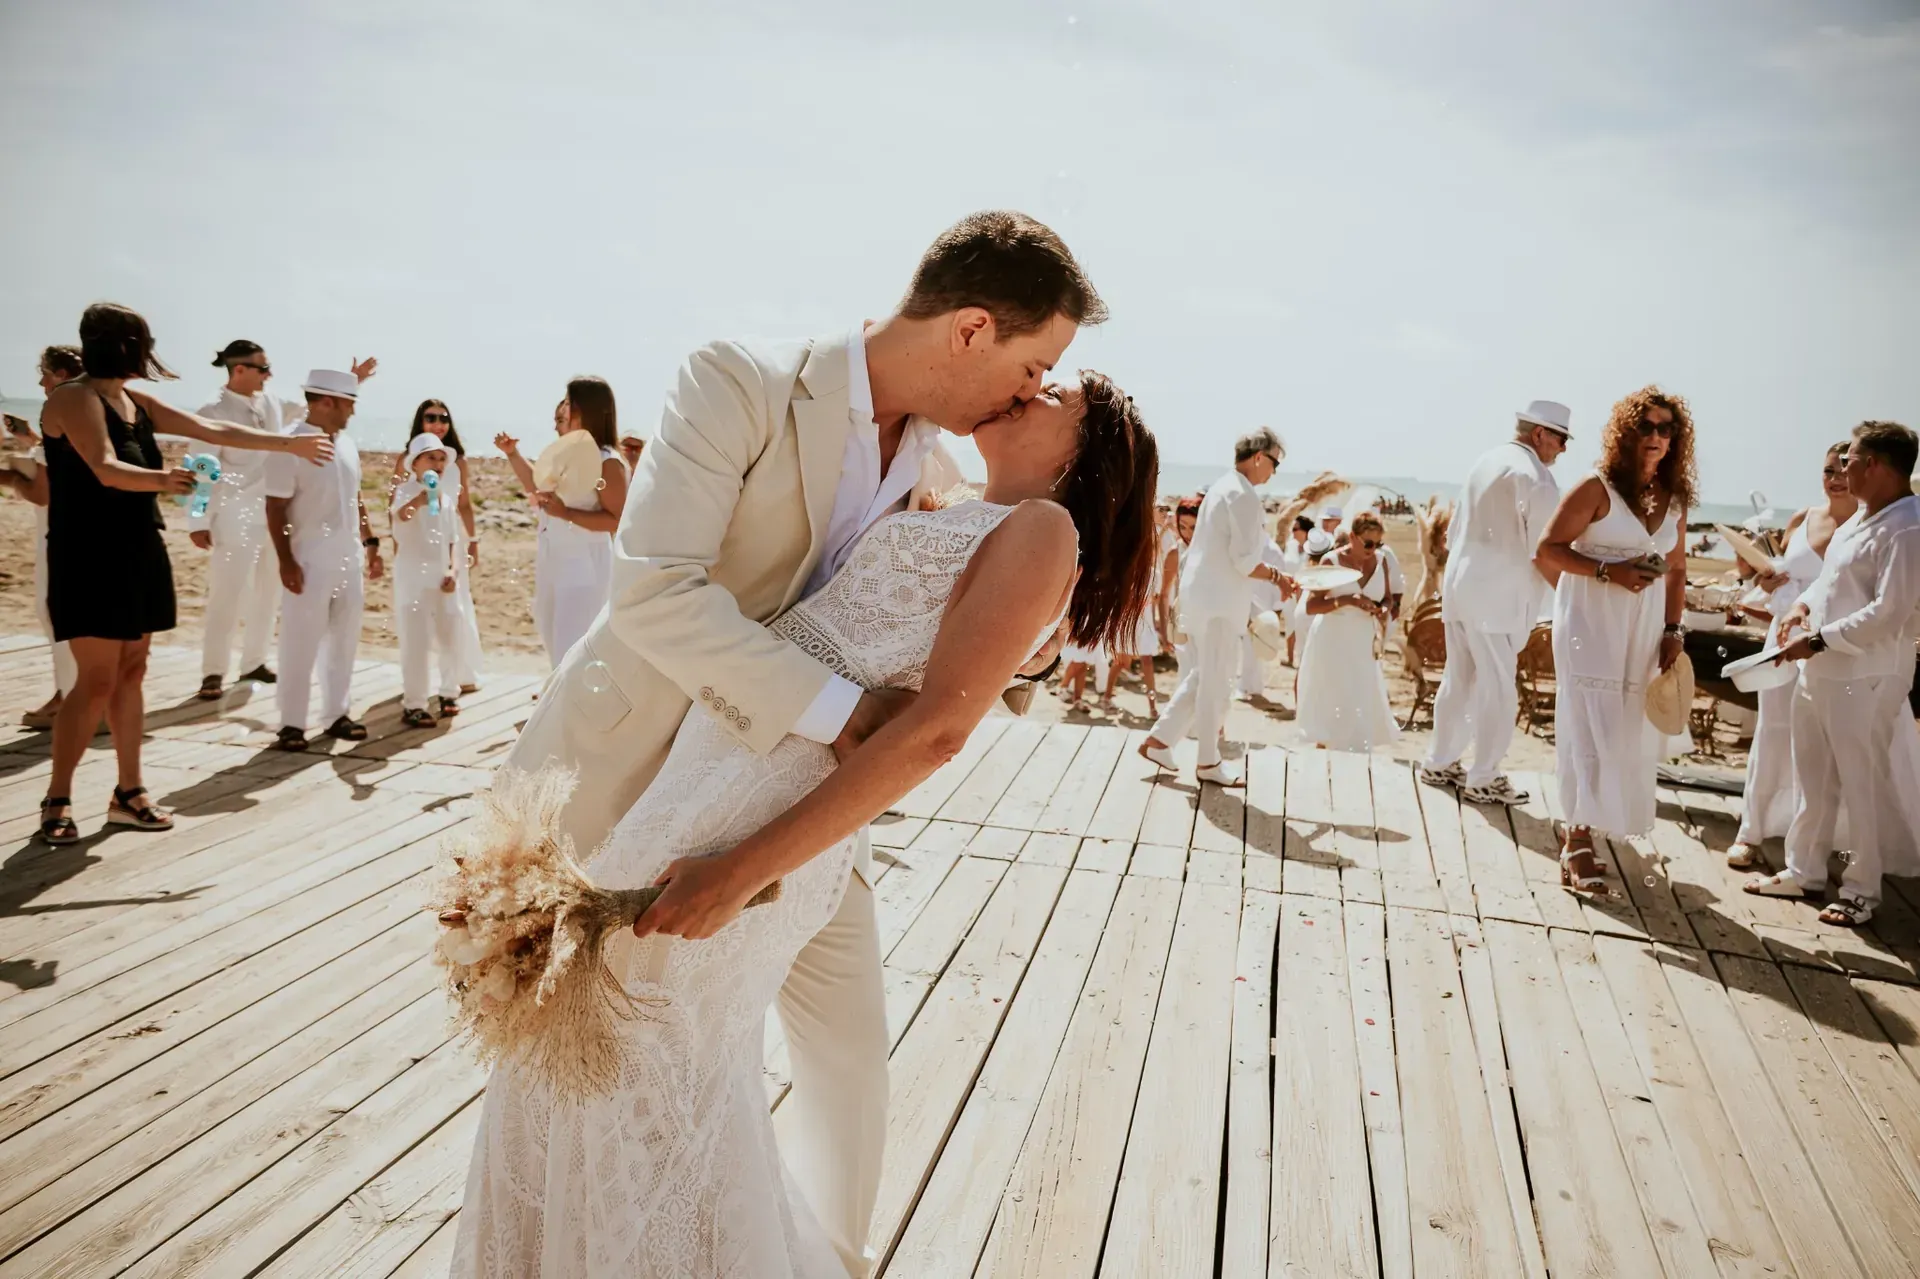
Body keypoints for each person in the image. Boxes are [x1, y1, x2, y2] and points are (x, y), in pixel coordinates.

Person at [456, 211, 1112, 1277]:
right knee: (604, 1046)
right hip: (653, 773)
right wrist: (844, 716)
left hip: (803, 819)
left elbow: (952, 621)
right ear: (972, 329)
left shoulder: (947, 463)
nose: (1030, 392)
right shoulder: (740, 381)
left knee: (845, 1051)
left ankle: (824, 1256)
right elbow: (656, 592)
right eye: (1032, 363)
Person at [35, 305, 331, 844]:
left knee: (132, 670)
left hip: (138, 545)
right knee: (95, 679)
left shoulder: (133, 399)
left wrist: (289, 443)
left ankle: (129, 791)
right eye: (142, 343)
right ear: (123, 345)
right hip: (88, 552)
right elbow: (104, 466)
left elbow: (212, 427)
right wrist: (164, 479)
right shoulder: (73, 397)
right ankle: (57, 797)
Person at [1745, 421, 1920, 927]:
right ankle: (1804, 870)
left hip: (1863, 677)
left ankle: (1863, 889)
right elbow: (1827, 584)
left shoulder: (1908, 526)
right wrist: (1800, 609)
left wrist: (1818, 639)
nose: (1843, 469)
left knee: (1858, 783)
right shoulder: (1858, 520)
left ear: (1877, 467)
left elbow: (1890, 611)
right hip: (1818, 670)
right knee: (1813, 776)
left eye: (1852, 460)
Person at [1535, 386, 1695, 892]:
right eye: (1645, 426)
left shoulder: (1675, 500)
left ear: (1676, 439)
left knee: (1626, 724)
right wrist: (1607, 573)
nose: (1655, 436)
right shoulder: (1595, 487)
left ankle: (1595, 822)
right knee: (1587, 721)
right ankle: (1576, 840)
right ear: (1626, 433)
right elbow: (1547, 551)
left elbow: (1677, 568)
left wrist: (1674, 629)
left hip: (1645, 625)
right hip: (1591, 620)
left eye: (1665, 428)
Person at [189, 342, 372, 699]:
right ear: (237, 369)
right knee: (227, 593)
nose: (269, 375)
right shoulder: (212, 411)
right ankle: (213, 671)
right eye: (262, 368)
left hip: (277, 516)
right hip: (232, 515)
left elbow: (318, 408)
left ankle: (253, 662)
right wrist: (197, 520)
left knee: (268, 594)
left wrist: (354, 381)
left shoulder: (274, 404)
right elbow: (201, 468)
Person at [1419, 400, 1569, 803]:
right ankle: (1484, 776)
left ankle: (1439, 762)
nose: (1563, 449)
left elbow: (1454, 534)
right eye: (1560, 438)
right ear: (1539, 434)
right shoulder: (1535, 477)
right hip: (1498, 596)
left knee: (1459, 678)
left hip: (1460, 585)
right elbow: (1545, 550)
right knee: (1500, 689)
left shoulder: (1484, 461)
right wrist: (1571, 597)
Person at [1141, 428, 1294, 787]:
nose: (1274, 471)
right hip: (1219, 604)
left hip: (1201, 598)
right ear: (1259, 457)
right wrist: (1279, 576)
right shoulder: (1243, 496)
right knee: (1216, 680)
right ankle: (1208, 763)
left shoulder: (1222, 487)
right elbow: (1244, 561)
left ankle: (1160, 741)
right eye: (1274, 462)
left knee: (1202, 676)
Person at [1725, 443, 1852, 864]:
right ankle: (1751, 831)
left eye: (1844, 469)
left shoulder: (1866, 526)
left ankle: (1822, 839)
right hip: (1780, 642)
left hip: (1828, 648)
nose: (1834, 478)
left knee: (1823, 745)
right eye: (1828, 469)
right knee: (1771, 733)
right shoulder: (1802, 518)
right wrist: (1769, 585)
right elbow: (1776, 582)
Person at [264, 368, 382, 752]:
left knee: (344, 640)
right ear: (328, 402)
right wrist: (285, 561)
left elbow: (356, 497)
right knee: (300, 641)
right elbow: (276, 506)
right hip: (308, 558)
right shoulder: (290, 444)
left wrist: (370, 541)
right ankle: (292, 723)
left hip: (349, 557)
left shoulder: (346, 444)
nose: (352, 411)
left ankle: (336, 715)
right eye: (349, 403)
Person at [494, 377, 630, 668]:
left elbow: (617, 519)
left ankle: (570, 711)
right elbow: (537, 486)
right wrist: (513, 454)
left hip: (585, 565)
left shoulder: (607, 461)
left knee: (573, 646)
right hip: (554, 557)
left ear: (586, 409)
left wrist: (566, 514)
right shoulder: (568, 455)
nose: (561, 413)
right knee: (552, 635)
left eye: (568, 404)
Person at [2, 345, 85, 727]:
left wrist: (11, 476)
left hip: (58, 532)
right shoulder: (92, 411)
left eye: (46, 372)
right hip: (80, 529)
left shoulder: (62, 414)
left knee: (54, 612)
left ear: (65, 376)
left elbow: (42, 491)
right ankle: (65, 692)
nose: (40, 380)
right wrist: (29, 442)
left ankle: (71, 698)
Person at [394, 399, 484, 693]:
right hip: (418, 540)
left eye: (443, 418)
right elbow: (396, 505)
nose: (438, 423)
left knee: (457, 605)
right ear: (420, 421)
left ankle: (461, 673)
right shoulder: (406, 459)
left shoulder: (458, 462)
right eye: (430, 417)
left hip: (449, 538)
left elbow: (465, 504)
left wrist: (472, 541)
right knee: (419, 611)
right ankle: (421, 683)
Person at [1295, 510, 1400, 750]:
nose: (1372, 549)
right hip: (1332, 639)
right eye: (1368, 543)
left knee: (1359, 695)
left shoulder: (1381, 561)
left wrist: (1383, 610)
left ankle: (1356, 752)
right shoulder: (1330, 562)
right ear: (1352, 536)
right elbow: (1311, 606)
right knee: (1332, 696)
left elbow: (1387, 598)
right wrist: (1348, 601)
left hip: (1362, 640)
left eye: (1378, 544)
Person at [391, 433, 464, 727]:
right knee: (416, 640)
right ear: (415, 463)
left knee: (450, 634)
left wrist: (453, 570)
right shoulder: (406, 491)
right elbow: (400, 517)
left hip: (440, 575)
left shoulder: (445, 498)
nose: (438, 464)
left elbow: (452, 541)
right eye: (431, 458)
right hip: (412, 576)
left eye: (442, 459)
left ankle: (449, 692)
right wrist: (420, 499)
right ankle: (415, 703)